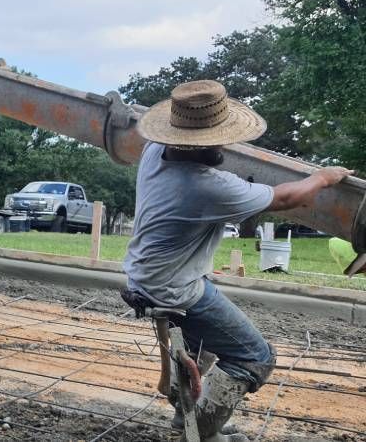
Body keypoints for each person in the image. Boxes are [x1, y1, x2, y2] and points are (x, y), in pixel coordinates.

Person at [122, 80, 353, 441]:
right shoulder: (206, 185)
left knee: (209, 344)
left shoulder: (154, 152)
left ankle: (191, 414)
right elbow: (285, 198)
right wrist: (324, 177)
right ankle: (198, 432)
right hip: (175, 289)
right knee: (254, 357)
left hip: (146, 277)